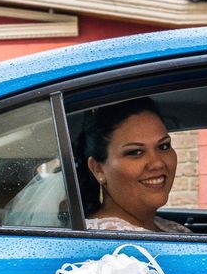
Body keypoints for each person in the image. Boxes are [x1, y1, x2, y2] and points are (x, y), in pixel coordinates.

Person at [75, 97, 190, 233]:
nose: (157, 163)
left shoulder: (168, 227)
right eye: (135, 152)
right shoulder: (104, 243)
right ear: (98, 169)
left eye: (163, 146)